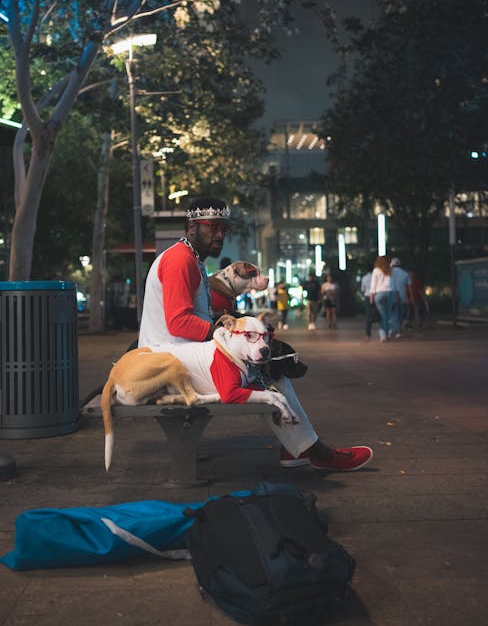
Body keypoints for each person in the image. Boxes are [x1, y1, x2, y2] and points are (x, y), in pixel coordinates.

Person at [139, 196, 373, 472]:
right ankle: (311, 450)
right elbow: (179, 323)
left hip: (180, 354)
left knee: (265, 355)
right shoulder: (180, 260)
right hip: (167, 364)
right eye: (211, 227)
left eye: (223, 228)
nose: (219, 234)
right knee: (267, 368)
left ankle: (297, 447)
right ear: (192, 227)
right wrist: (226, 334)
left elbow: (195, 319)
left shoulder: (190, 257)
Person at [370, 255, 395, 342]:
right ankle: (387, 333)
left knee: (382, 316)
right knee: (387, 316)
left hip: (379, 294)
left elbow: (373, 284)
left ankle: (383, 335)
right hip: (390, 293)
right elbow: (394, 283)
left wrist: (371, 296)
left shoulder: (376, 270)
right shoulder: (391, 270)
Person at [389, 257, 411, 338]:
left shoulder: (389, 273)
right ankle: (399, 332)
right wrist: (410, 298)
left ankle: (391, 329)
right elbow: (409, 287)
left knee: (392, 314)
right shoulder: (405, 273)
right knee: (400, 315)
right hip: (403, 297)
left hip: (391, 295)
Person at [360, 265, 374, 339]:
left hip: (367, 296)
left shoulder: (364, 278)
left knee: (368, 315)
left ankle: (368, 333)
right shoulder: (375, 277)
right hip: (375, 295)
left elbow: (362, 289)